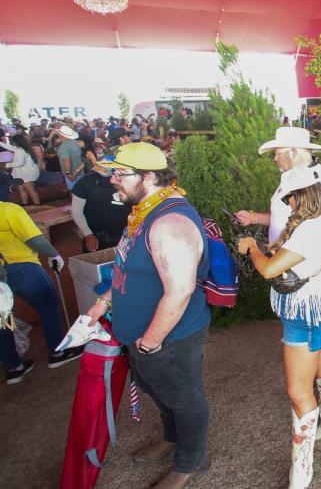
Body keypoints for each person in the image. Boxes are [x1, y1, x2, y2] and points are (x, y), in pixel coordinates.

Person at [86, 144, 211, 487]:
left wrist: (151, 342)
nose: (113, 180)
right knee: (160, 392)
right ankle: (173, 439)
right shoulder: (143, 210)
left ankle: (191, 461)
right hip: (143, 336)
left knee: (184, 400)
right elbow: (130, 270)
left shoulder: (169, 223)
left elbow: (180, 290)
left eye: (120, 174)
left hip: (168, 338)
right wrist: (105, 302)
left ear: (150, 177)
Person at [237, 166, 321, 489]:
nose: (287, 203)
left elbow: (271, 269)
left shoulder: (310, 228)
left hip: (305, 314)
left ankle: (301, 472)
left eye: (289, 197)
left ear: (302, 195)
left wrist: (252, 248)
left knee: (298, 392)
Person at [236, 127, 321, 392]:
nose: (275, 159)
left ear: (293, 151)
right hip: (290, 267)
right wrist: (254, 218)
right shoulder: (291, 180)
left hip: (310, 273)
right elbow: (289, 217)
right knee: (319, 337)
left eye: (277, 153)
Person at [0, 201, 83, 383]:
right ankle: (57, 353)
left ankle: (14, 367)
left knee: (4, 319)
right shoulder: (9, 209)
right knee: (48, 306)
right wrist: (54, 254)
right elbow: (34, 239)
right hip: (21, 267)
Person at [70, 161, 133, 252]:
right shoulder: (85, 181)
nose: (111, 181)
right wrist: (88, 234)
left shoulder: (131, 182)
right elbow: (76, 211)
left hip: (124, 235)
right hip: (95, 236)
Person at [0, 134, 41, 205]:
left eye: (11, 141)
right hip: (23, 173)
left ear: (16, 142)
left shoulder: (20, 151)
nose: (10, 142)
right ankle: (25, 205)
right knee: (21, 189)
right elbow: (9, 147)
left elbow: (19, 163)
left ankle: (38, 205)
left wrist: (5, 165)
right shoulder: (22, 149)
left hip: (26, 174)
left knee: (30, 190)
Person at [54, 125, 85, 190]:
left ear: (61, 135)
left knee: (74, 192)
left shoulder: (63, 147)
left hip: (72, 174)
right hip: (80, 172)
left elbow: (66, 160)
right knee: (81, 191)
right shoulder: (75, 142)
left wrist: (68, 173)